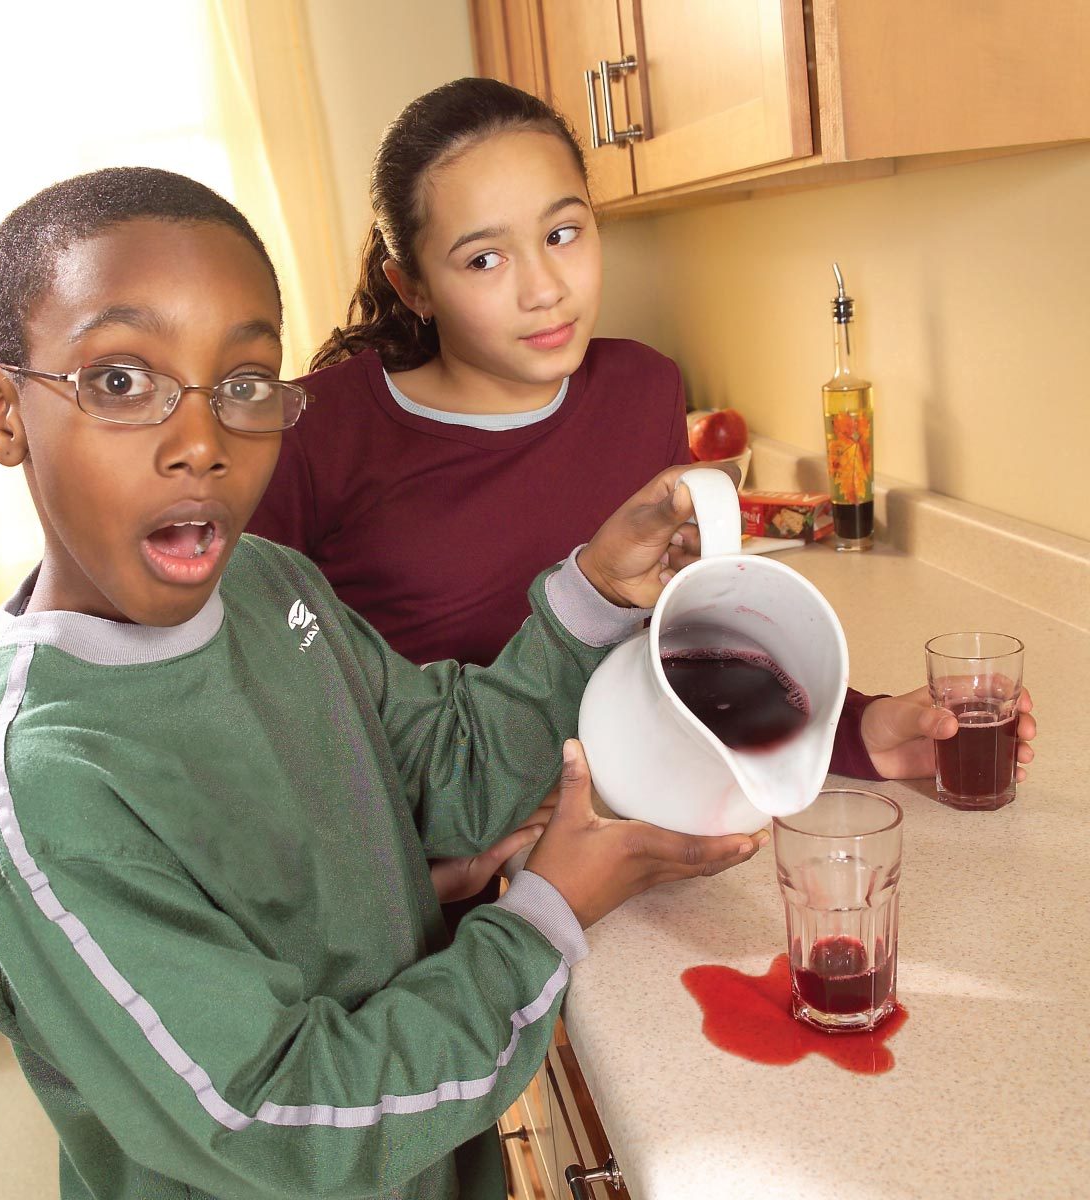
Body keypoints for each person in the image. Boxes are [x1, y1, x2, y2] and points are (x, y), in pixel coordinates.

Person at [0, 166, 768, 1200]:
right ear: (0, 412)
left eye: (243, 383)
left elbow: (450, 768)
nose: (200, 444)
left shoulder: (267, 584)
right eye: (120, 380)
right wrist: (547, 916)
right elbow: (280, 1118)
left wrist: (598, 589)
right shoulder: (45, 786)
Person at [247, 78, 1037, 903]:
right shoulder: (313, 432)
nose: (544, 287)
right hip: (448, 899)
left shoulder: (640, 387)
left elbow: (676, 653)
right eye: (485, 258)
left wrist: (858, 727)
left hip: (621, 854)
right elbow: (270, 696)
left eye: (563, 232)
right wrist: (415, 864)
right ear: (411, 285)